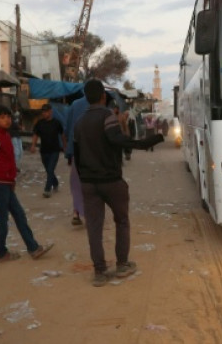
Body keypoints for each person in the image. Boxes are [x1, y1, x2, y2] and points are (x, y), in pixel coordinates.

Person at [74, 79, 164, 287]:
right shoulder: (108, 117)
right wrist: (145, 143)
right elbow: (118, 140)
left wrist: (84, 178)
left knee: (94, 228)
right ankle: (122, 264)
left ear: (86, 97)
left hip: (88, 183)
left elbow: (77, 156)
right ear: (103, 97)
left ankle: (100, 272)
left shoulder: (79, 122)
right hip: (111, 181)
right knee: (121, 221)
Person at [0, 105, 53, 262]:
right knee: (3, 219)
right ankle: (1, 252)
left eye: (8, 116)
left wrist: (11, 180)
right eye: (2, 117)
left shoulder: (5, 135)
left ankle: (33, 248)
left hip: (5, 183)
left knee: (18, 214)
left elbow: (9, 161)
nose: (6, 119)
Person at [30, 104, 66, 197]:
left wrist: (65, 147)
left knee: (50, 169)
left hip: (55, 150)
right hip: (44, 151)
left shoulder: (56, 123)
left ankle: (47, 190)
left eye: (46, 111)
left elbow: (62, 135)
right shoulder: (39, 123)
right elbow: (35, 135)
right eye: (43, 111)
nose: (44, 113)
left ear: (51, 111)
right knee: (49, 170)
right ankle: (56, 183)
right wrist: (33, 145)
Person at [64, 94, 90, 226]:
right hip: (95, 151)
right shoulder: (100, 105)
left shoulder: (74, 105)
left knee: (76, 183)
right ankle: (90, 214)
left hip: (76, 149)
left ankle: (76, 212)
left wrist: (69, 152)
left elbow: (68, 129)